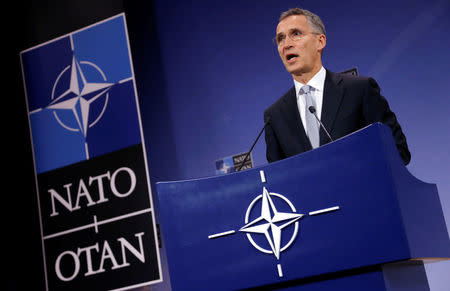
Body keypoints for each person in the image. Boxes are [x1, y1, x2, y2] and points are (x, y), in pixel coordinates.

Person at [264, 8, 411, 165]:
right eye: (280, 38)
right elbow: (278, 180)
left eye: (296, 34)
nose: (286, 44)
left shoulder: (359, 89)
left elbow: (398, 151)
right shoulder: (275, 116)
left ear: (320, 42)